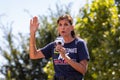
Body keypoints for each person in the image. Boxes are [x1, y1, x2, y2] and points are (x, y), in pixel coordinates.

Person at [29, 14, 90, 80]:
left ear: (72, 27)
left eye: (66, 24)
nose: (63, 27)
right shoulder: (54, 45)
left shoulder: (79, 43)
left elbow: (83, 70)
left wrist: (65, 57)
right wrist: (33, 33)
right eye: (60, 25)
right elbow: (33, 55)